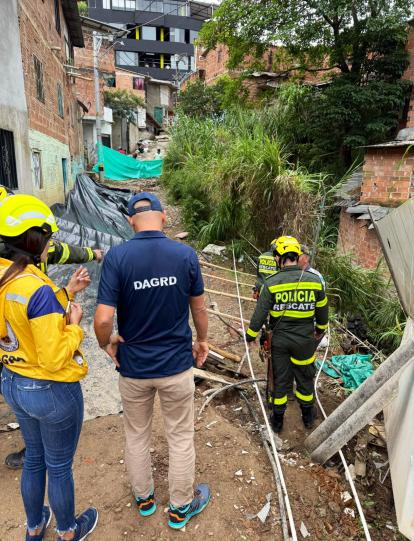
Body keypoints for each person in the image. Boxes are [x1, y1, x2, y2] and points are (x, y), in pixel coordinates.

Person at [94, 192, 210, 530]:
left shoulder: (117, 257)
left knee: (136, 435)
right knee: (180, 437)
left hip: (134, 369)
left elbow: (102, 320)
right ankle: (179, 507)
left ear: (130, 221)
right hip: (175, 366)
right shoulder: (185, 255)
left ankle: (144, 499)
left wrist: (107, 344)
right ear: (162, 217)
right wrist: (202, 340)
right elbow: (199, 308)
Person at [0, 193, 98, 541]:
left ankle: (34, 527)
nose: (51, 243)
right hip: (48, 390)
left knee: (34, 459)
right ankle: (69, 531)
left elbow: (25, 317)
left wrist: (67, 292)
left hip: (13, 380)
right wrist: (75, 325)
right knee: (58, 467)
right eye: (48, 237)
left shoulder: (8, 277)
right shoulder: (35, 288)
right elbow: (54, 357)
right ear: (35, 238)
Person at [245, 236, 328, 433]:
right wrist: (319, 331)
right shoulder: (315, 281)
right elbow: (323, 313)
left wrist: (250, 336)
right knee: (305, 378)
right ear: (297, 256)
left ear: (279, 257)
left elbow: (260, 314)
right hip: (305, 341)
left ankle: (278, 421)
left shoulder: (272, 283)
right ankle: (308, 417)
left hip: (280, 341)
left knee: (281, 379)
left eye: (275, 257)